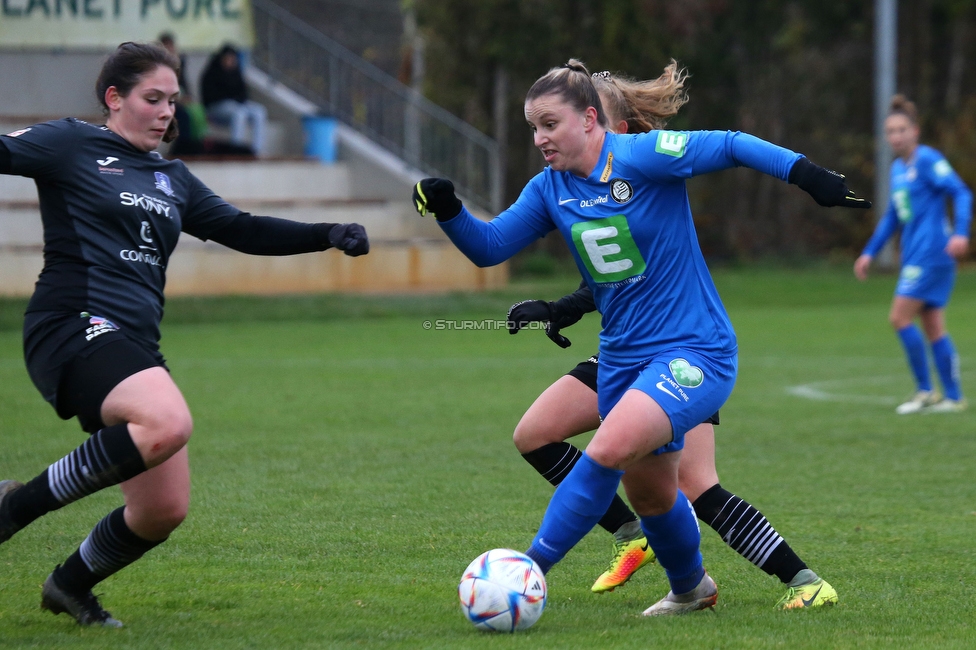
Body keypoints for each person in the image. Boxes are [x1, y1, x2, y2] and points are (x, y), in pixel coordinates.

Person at [413, 58, 868, 616]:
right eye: (533, 127)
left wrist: (807, 175)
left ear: (588, 119)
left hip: (694, 351)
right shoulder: (548, 189)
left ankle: (527, 570)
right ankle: (692, 590)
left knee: (606, 450)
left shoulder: (641, 158)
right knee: (651, 495)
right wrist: (449, 210)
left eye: (549, 124)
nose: (539, 138)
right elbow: (489, 248)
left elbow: (728, 143)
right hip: (623, 359)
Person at [0, 42, 369, 627]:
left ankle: (69, 585)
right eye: (153, 98)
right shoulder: (72, 143)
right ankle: (12, 508)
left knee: (161, 510)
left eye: (173, 100)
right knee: (166, 422)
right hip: (71, 323)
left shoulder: (173, 177)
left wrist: (328, 232)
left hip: (132, 345)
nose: (167, 111)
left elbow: (241, 229)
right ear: (114, 99)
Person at [854, 94, 971, 414]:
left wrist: (961, 231)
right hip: (917, 255)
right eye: (890, 131)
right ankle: (953, 397)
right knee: (933, 324)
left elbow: (960, 191)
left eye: (902, 129)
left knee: (899, 317)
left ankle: (925, 391)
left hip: (932, 254)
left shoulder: (928, 160)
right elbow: (893, 215)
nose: (896, 136)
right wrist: (869, 253)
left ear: (915, 131)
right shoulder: (897, 169)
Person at [200, 43, 267, 156]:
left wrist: (238, 100)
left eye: (233, 58)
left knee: (259, 111)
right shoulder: (212, 72)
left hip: (237, 105)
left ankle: (257, 150)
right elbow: (210, 97)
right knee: (239, 113)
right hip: (217, 108)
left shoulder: (236, 72)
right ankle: (235, 151)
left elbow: (243, 94)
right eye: (228, 58)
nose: (231, 61)